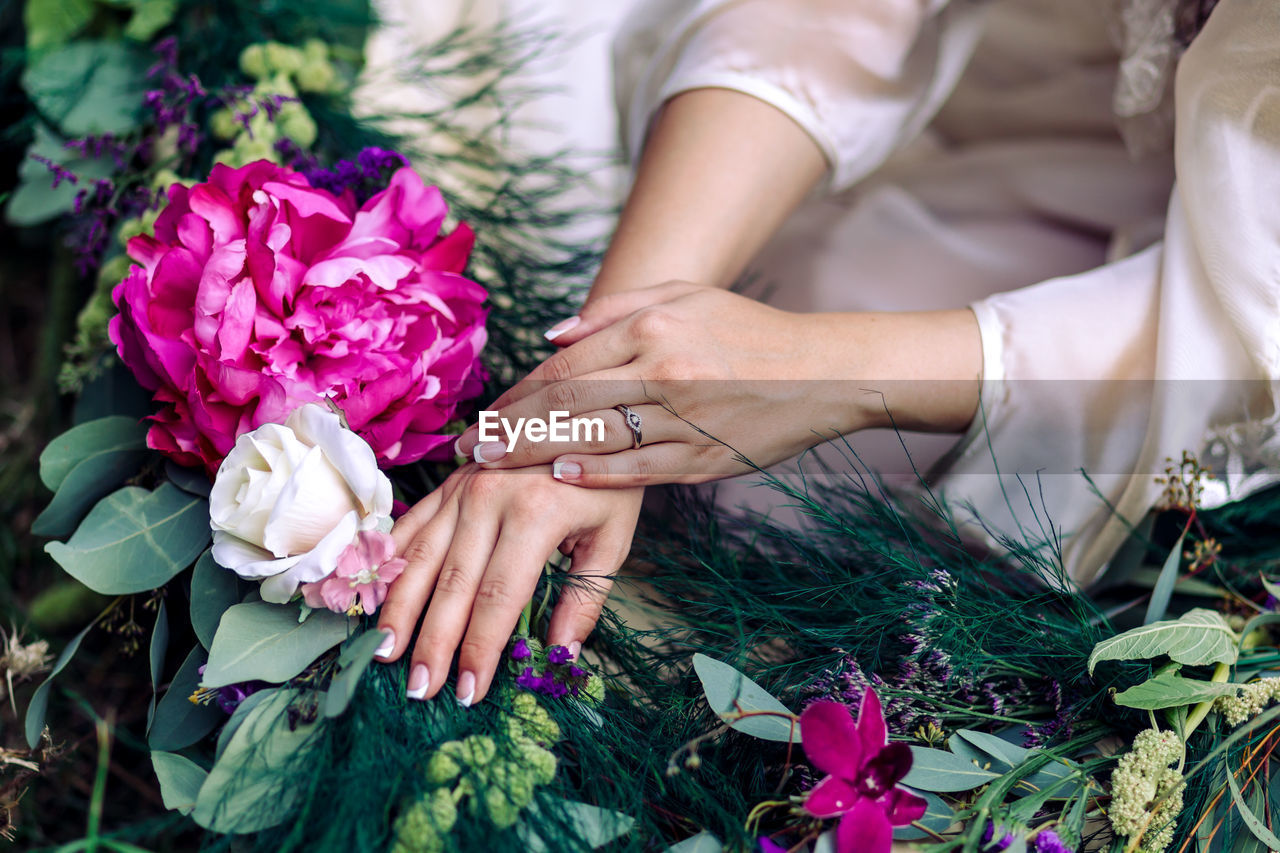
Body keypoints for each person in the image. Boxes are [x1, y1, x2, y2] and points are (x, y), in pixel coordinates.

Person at [373, 0, 1280, 707]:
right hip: (999, 89)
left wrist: (819, 371)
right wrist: (612, 373)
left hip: (1198, 295)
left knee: (782, 519)